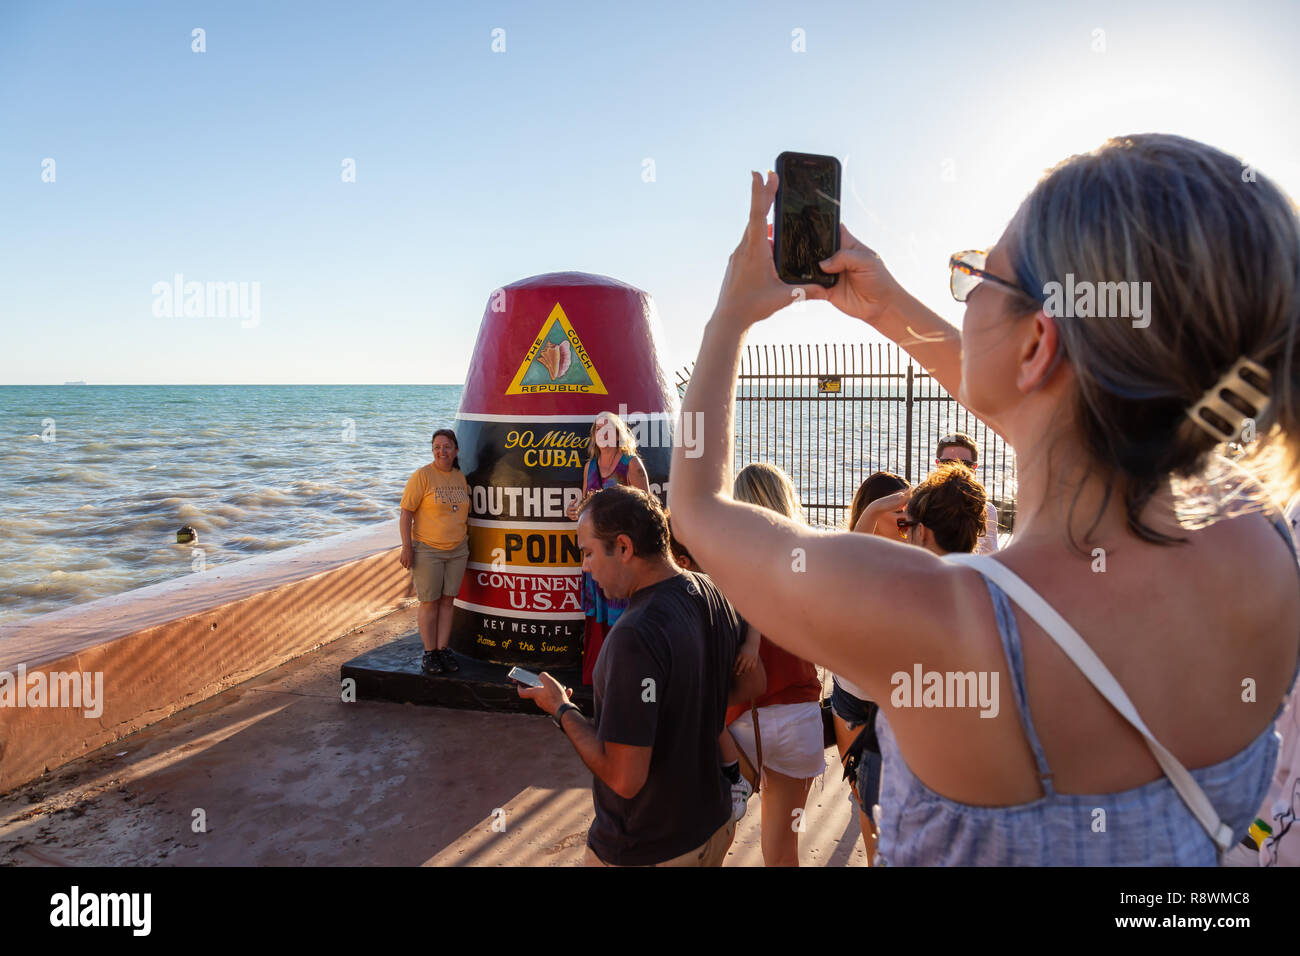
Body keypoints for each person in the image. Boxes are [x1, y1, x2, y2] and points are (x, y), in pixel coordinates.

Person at [670, 137, 1300, 865]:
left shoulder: (951, 621)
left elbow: (699, 508)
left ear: (1038, 344)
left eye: (977, 280)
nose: (964, 295)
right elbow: (1075, 417)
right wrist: (886, 309)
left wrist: (730, 315)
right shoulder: (1261, 543)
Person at [519, 485, 764, 866]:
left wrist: (561, 709)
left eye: (587, 553)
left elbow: (625, 778)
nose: (584, 566)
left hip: (647, 848)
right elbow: (752, 684)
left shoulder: (635, 635)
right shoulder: (711, 590)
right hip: (713, 825)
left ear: (623, 547)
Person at [722, 463, 825, 867]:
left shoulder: (728, 566)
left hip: (741, 720)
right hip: (799, 716)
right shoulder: (809, 562)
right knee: (782, 851)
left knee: (713, 840)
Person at [835, 470, 910, 864]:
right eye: (896, 509)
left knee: (894, 806)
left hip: (897, 705)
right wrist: (878, 508)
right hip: (852, 700)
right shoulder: (851, 556)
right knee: (864, 803)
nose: (905, 517)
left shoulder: (914, 552)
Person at [669, 509, 763, 823]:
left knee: (712, 720)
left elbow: (752, 603)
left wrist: (751, 644)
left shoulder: (722, 576)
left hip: (718, 670)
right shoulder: (681, 586)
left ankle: (735, 779)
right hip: (701, 672)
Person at [565, 412, 651, 685]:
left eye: (608, 427)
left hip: (623, 556)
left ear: (618, 432)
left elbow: (649, 510)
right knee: (597, 616)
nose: (603, 432)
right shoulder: (590, 466)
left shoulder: (631, 464)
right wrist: (575, 511)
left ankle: (624, 677)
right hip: (595, 553)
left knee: (623, 615)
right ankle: (597, 676)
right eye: (598, 427)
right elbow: (585, 506)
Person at [399, 429, 470, 676]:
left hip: (457, 550)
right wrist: (407, 546)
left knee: (448, 601)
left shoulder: (460, 477)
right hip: (428, 549)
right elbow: (406, 513)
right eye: (437, 447)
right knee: (430, 602)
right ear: (432, 450)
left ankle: (443, 649)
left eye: (447, 446)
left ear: (456, 450)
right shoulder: (422, 476)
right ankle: (430, 653)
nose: (442, 451)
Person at [933, 432, 1000, 553]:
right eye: (948, 463)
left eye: (965, 464)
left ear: (974, 468)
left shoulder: (987, 511)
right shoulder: (919, 506)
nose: (956, 469)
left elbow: (991, 555)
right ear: (938, 464)